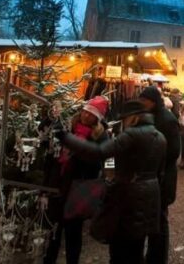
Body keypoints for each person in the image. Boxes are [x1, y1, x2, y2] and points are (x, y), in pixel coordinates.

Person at [54, 101, 167, 263]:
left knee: (119, 250)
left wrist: (65, 137)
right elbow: (160, 173)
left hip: (126, 196)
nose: (124, 123)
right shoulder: (160, 136)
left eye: (125, 119)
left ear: (133, 118)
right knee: (136, 248)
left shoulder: (131, 135)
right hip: (149, 196)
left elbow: (101, 153)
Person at [43, 97, 108, 264]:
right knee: (52, 230)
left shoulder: (101, 137)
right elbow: (48, 147)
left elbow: (102, 161)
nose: (85, 115)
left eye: (91, 114)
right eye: (85, 111)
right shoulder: (68, 126)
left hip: (79, 188)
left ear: (97, 119)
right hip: (58, 184)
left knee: (73, 232)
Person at [139, 87, 180, 264]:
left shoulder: (167, 119)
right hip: (154, 176)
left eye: (144, 100)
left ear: (152, 101)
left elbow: (174, 151)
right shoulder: (151, 116)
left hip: (163, 177)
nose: (141, 104)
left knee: (160, 220)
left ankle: (158, 257)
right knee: (153, 218)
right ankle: (153, 256)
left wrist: (153, 158)